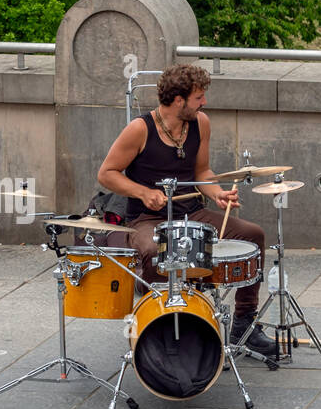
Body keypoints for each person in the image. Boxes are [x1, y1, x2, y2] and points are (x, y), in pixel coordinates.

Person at [95, 64, 278, 357]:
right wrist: (143, 192)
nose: (203, 102)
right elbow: (106, 173)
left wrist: (218, 193)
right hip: (148, 219)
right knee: (155, 252)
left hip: (192, 213)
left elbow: (202, 171)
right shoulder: (140, 129)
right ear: (178, 100)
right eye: (198, 97)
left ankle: (244, 323)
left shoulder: (200, 123)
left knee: (252, 235)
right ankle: (158, 329)